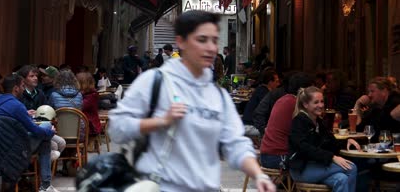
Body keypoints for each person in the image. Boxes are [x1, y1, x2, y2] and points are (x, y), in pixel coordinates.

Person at [109, 10, 275, 192]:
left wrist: (258, 175)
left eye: (214, 40)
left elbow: (236, 144)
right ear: (181, 42)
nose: (211, 48)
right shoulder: (155, 82)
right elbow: (117, 128)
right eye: (202, 40)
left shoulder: (218, 96)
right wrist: (161, 121)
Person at [0, 74, 58, 192]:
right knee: (46, 128)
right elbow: (34, 129)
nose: (23, 89)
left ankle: (45, 184)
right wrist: (50, 132)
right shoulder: (16, 105)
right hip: (14, 149)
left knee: (44, 141)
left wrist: (24, 113)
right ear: (16, 88)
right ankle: (45, 185)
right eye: (22, 86)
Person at [289, 86, 359, 192]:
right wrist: (332, 157)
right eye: (316, 102)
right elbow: (304, 148)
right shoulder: (299, 121)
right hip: (301, 170)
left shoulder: (319, 122)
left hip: (317, 167)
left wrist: (346, 141)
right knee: (351, 167)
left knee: (341, 179)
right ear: (305, 104)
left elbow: (331, 141)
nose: (321, 105)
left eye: (322, 101)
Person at [259, 72, 314, 169]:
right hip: (279, 157)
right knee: (317, 163)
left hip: (266, 154)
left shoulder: (283, 99)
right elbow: (307, 132)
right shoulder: (296, 105)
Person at [242, 69, 280, 137]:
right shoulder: (265, 93)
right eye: (276, 81)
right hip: (251, 126)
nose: (278, 84)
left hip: (247, 124)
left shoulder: (260, 89)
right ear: (270, 82)